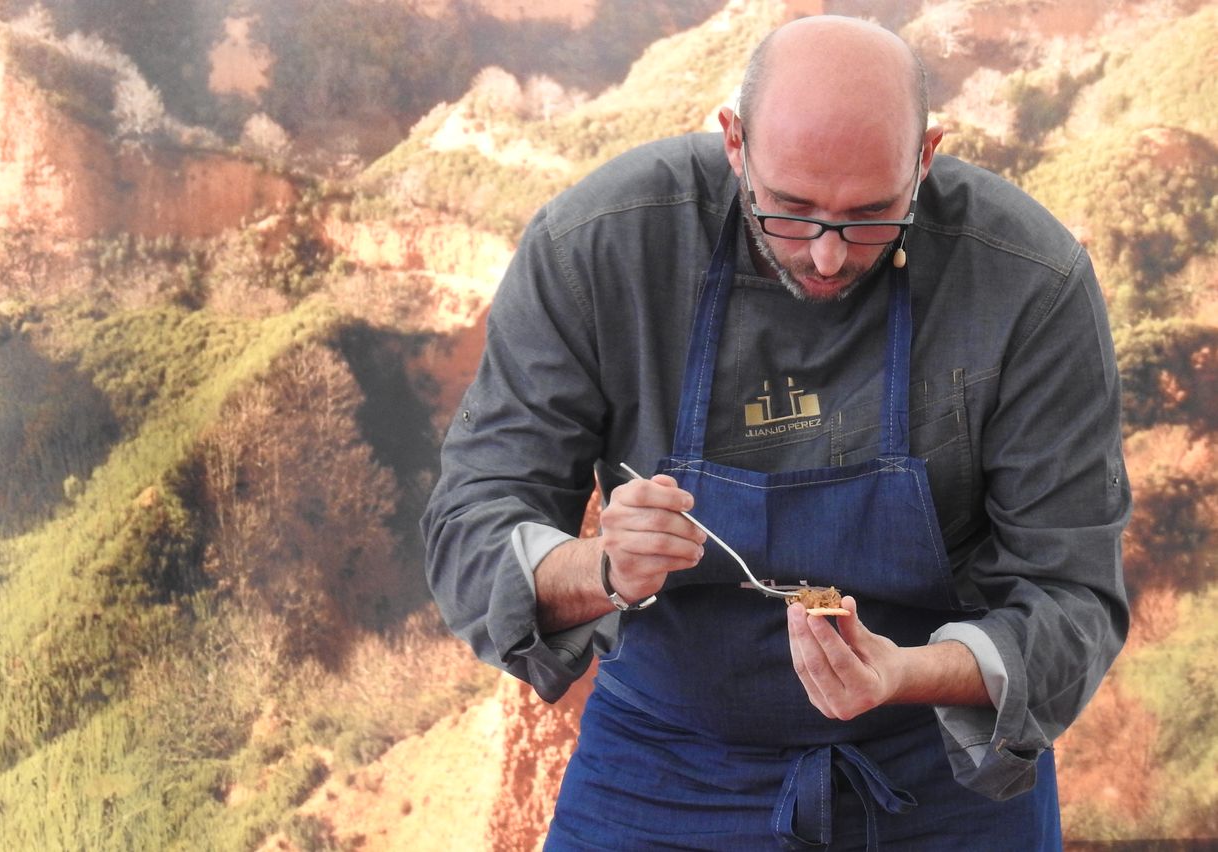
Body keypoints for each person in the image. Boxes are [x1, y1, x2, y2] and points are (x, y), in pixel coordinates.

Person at [421, 14, 1130, 850]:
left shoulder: (1027, 280)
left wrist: (903, 674)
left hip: (942, 770)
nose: (828, 257)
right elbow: (470, 527)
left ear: (927, 156)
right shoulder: (598, 248)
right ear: (733, 140)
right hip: (664, 765)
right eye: (791, 212)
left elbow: (1072, 595)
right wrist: (604, 567)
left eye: (871, 216)